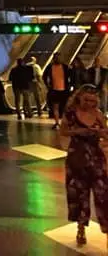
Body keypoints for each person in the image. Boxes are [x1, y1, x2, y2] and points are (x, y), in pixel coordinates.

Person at [60, 84, 108, 248]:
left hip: (96, 158)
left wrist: (101, 133)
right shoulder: (71, 114)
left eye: (93, 101)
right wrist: (78, 132)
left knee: (103, 195)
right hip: (77, 158)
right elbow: (63, 131)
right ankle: (81, 229)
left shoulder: (99, 115)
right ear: (79, 97)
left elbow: (106, 133)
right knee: (80, 195)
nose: (90, 104)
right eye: (87, 100)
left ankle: (107, 229)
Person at [46, 53, 74, 128]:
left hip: (64, 90)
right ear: (54, 58)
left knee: (66, 107)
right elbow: (45, 76)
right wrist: (48, 85)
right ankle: (57, 122)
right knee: (56, 107)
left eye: (59, 58)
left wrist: (70, 85)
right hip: (54, 90)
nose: (58, 59)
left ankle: (66, 122)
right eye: (56, 58)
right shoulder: (50, 67)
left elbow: (71, 75)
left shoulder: (65, 67)